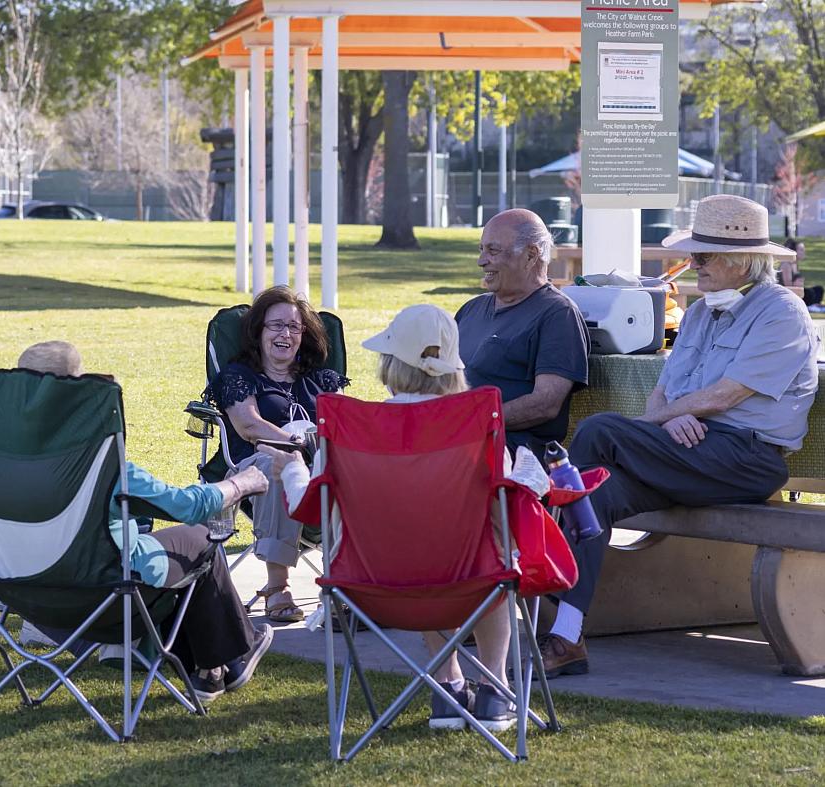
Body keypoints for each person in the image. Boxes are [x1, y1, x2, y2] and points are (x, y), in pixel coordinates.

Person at [541, 195, 818, 677]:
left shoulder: (782, 313)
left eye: (704, 255)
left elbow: (725, 397)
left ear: (742, 261)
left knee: (598, 431)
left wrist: (657, 423)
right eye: (695, 253)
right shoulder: (697, 313)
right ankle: (567, 635)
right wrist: (666, 421)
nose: (693, 264)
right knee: (596, 493)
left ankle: (546, 566)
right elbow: (661, 395)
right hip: (685, 454)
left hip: (745, 459)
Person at [258, 305, 517, 733]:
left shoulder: (353, 427)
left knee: (422, 548)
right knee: (490, 552)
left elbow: (308, 508)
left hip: (372, 589)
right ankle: (494, 689)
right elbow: (506, 510)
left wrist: (290, 467)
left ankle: (448, 686)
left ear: (391, 363)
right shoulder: (477, 427)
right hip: (471, 584)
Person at [16, 341, 274, 704]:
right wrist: (240, 483)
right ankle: (224, 660)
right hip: (101, 596)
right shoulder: (96, 460)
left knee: (153, 541)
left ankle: (214, 666)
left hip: (23, 590)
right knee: (199, 539)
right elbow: (185, 506)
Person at [205, 286, 349, 624]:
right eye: (276, 326)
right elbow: (249, 426)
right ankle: (277, 586)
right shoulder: (239, 376)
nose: (285, 334)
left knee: (353, 470)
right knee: (277, 464)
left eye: (294, 327)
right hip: (254, 470)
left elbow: (344, 423)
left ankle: (345, 588)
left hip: (319, 469)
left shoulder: (322, 379)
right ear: (259, 333)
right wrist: (298, 444)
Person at [456, 208, 589, 460]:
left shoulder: (557, 314)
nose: (481, 260)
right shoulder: (471, 309)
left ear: (530, 256)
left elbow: (546, 404)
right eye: (481, 249)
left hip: (512, 450)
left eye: (492, 251)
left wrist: (474, 422)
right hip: (460, 437)